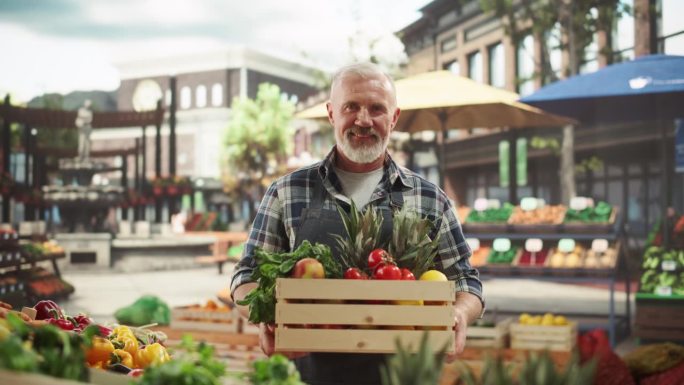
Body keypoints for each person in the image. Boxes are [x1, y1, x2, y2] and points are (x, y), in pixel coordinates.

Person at [230, 62, 483, 385]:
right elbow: (246, 275)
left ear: (393, 118)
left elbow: (466, 281)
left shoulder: (430, 199)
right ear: (332, 113)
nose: (363, 120)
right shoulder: (287, 192)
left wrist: (459, 313)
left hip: (403, 375)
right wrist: (263, 317)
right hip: (306, 375)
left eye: (377, 108)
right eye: (351, 106)